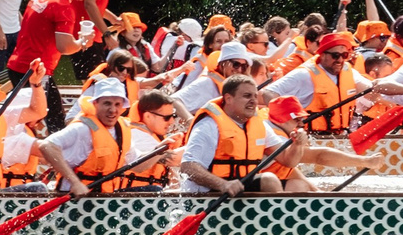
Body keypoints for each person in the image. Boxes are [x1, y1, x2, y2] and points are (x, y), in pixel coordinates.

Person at [179, 76, 309, 196]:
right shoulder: (208, 126)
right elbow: (188, 167)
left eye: (255, 96)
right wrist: (222, 184)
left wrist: (297, 145)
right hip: (208, 194)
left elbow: (289, 161)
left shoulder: (258, 125)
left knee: (298, 184)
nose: (253, 101)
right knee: (269, 180)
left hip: (239, 188)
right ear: (228, 98)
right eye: (247, 96)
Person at [36, 79, 166, 196]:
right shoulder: (83, 128)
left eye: (117, 105)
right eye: (107, 104)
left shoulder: (121, 129)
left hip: (104, 198)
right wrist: (75, 183)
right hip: (75, 198)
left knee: (156, 192)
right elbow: (47, 145)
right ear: (96, 103)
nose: (112, 110)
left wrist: (159, 151)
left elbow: (136, 165)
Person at [5, 0, 90, 129]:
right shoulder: (63, 7)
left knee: (29, 119)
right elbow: (65, 47)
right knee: (55, 121)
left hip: (18, 65)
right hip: (35, 71)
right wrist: (83, 42)